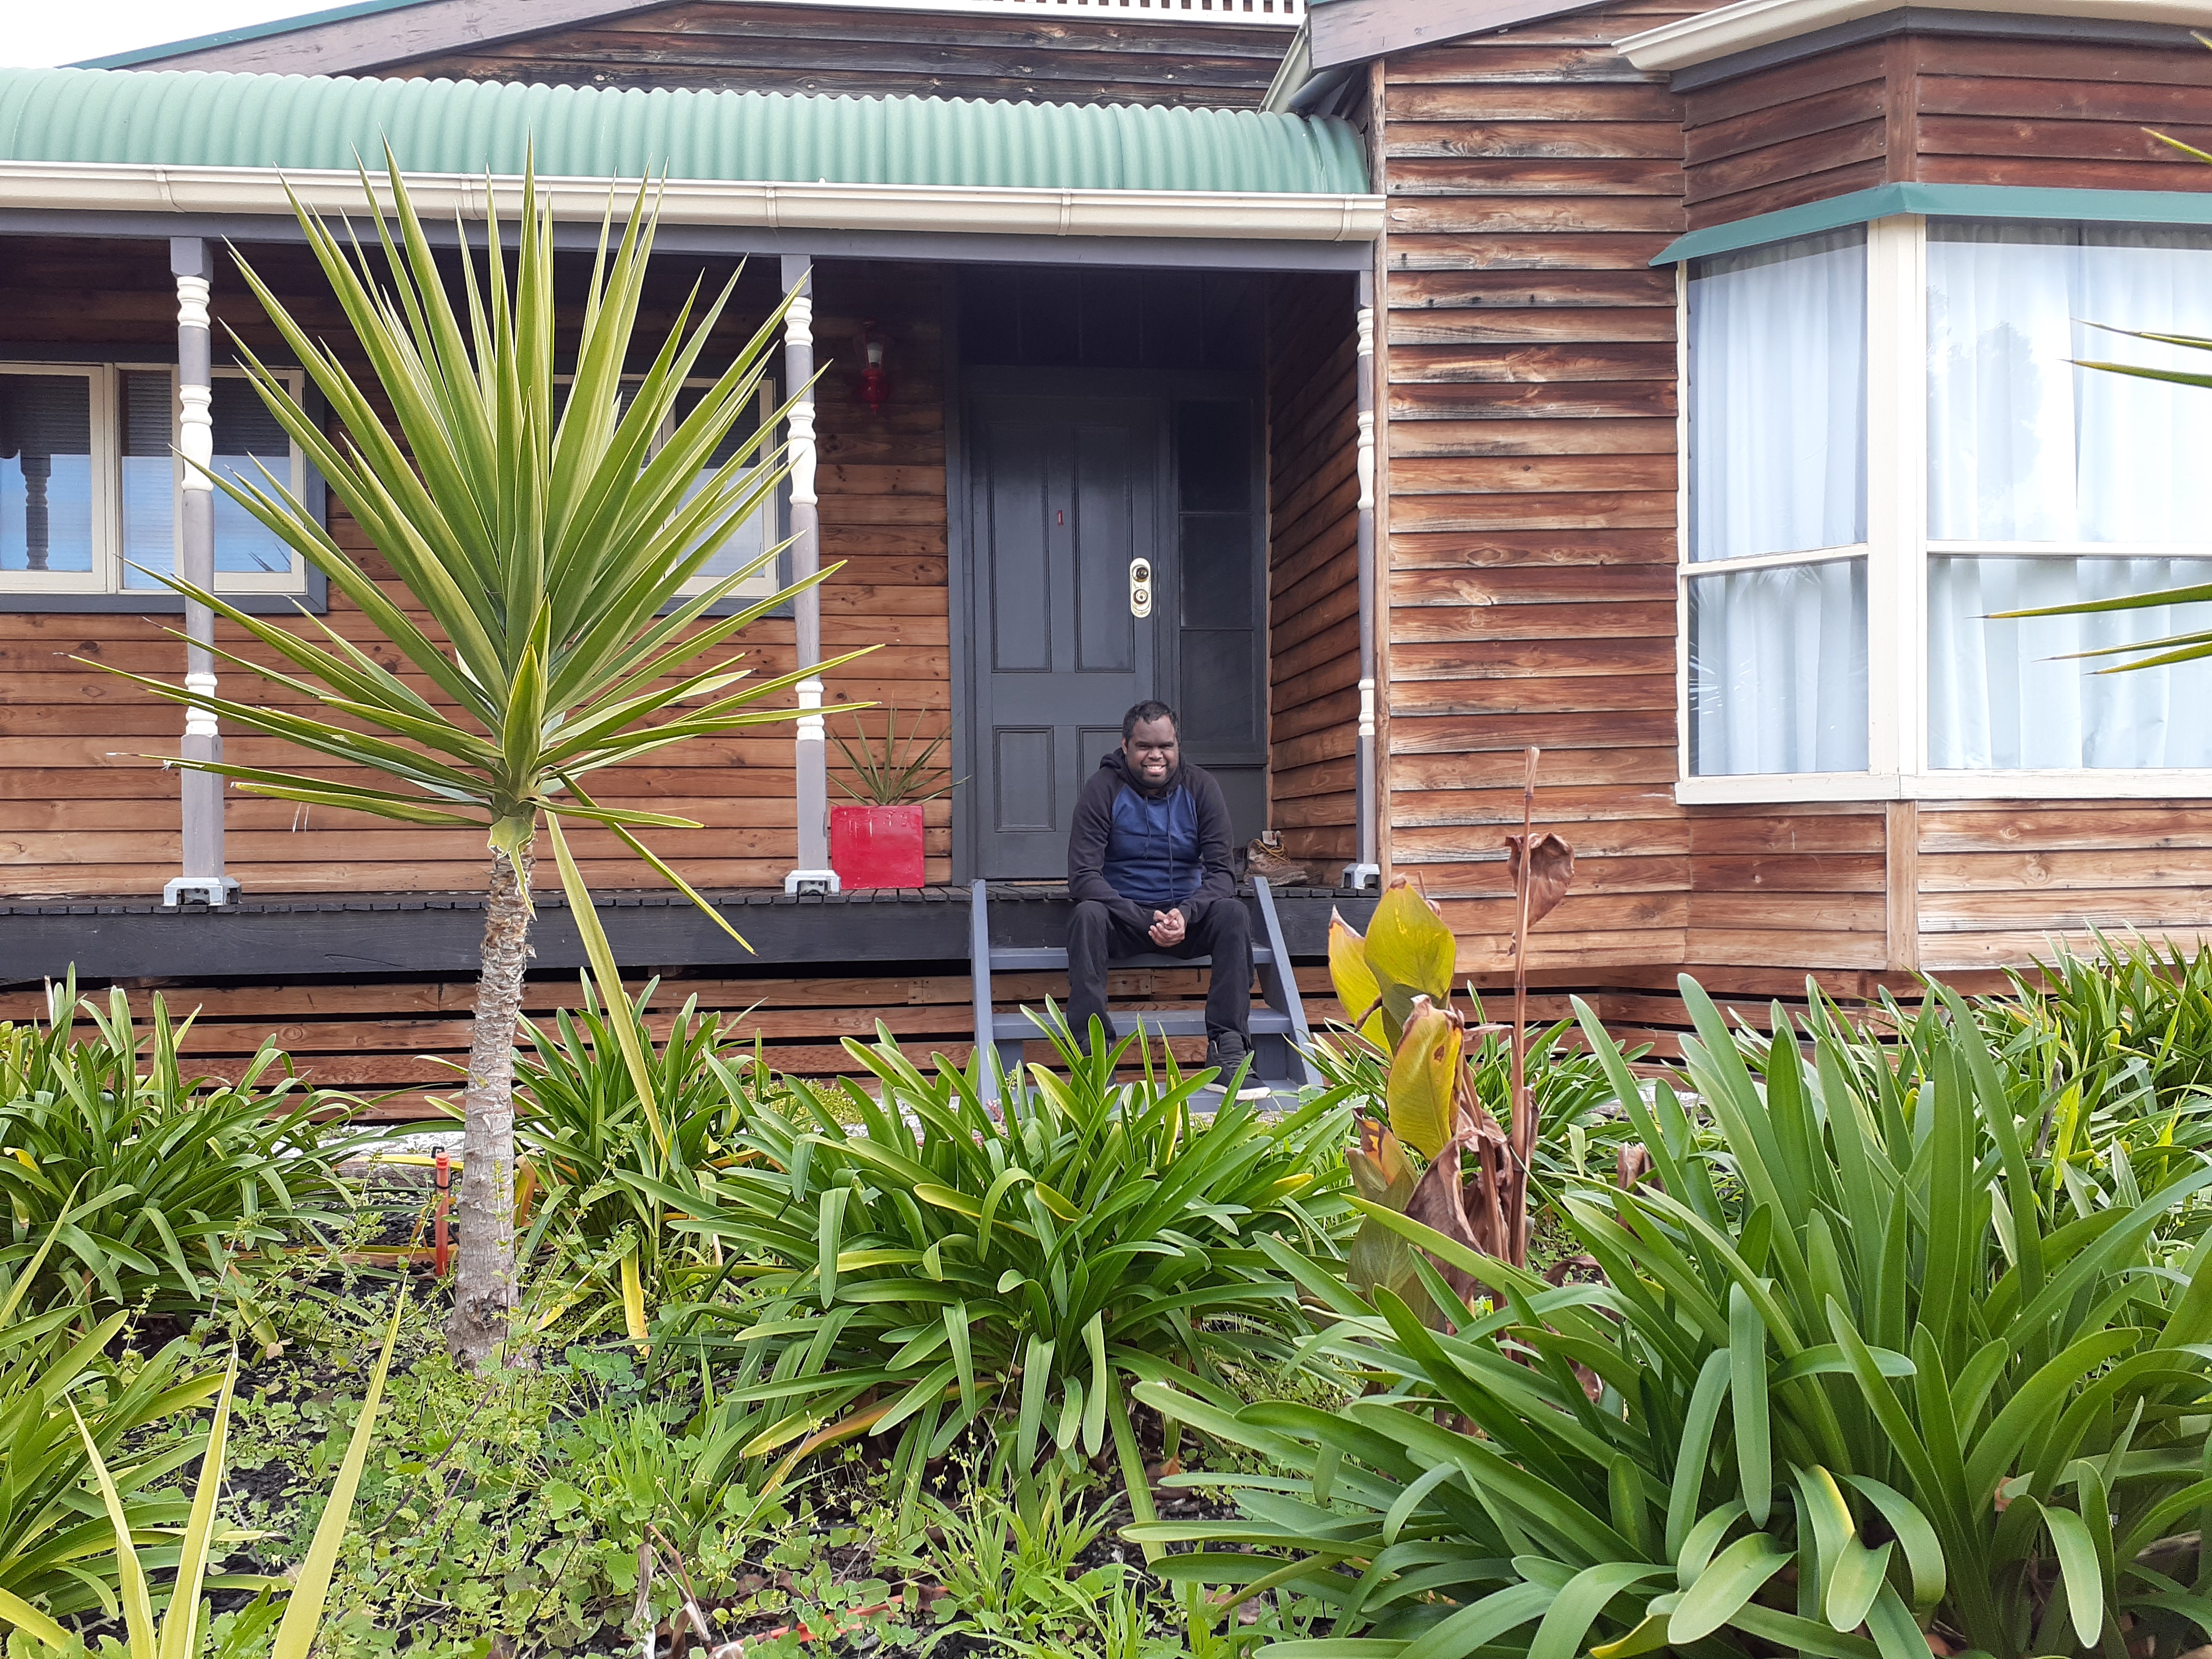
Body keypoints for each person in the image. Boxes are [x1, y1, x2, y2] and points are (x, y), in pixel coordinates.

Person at [1066, 700, 1265, 1096]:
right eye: (1144, 746)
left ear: (1177, 746)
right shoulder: (1103, 789)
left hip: (1184, 920)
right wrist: (1143, 918)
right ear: (1125, 746)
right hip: (1123, 921)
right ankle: (1094, 1055)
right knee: (1086, 914)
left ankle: (1228, 1048)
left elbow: (1223, 873)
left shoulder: (1202, 787)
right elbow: (1083, 877)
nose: (1155, 756)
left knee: (1232, 914)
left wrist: (1186, 914)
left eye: (1166, 746)